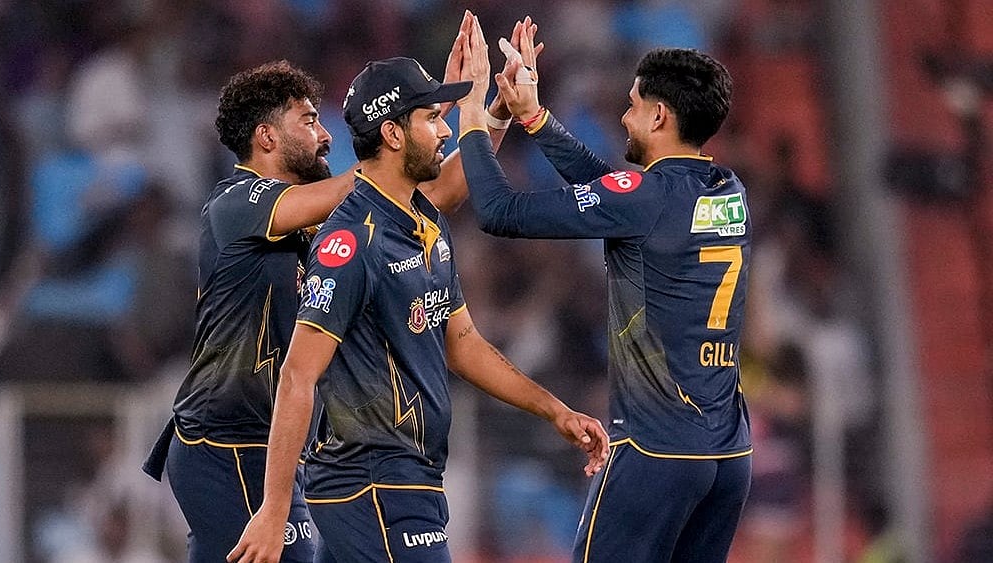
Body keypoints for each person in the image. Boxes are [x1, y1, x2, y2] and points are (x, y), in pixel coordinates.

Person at [226, 27, 609, 563]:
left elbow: (464, 342)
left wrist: (555, 411)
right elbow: (298, 375)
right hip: (373, 482)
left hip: (403, 478)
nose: (445, 133)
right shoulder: (349, 241)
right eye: (431, 120)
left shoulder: (420, 221)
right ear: (392, 134)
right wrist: (274, 508)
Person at [141, 14, 504, 562]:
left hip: (285, 444)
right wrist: (415, 120)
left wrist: (467, 117)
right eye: (309, 121)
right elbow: (376, 183)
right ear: (266, 137)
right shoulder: (237, 205)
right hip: (227, 443)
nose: (326, 133)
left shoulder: (317, 217)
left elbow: (432, 194)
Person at [455, 18, 753, 562]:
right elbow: (615, 193)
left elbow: (499, 211)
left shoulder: (644, 197)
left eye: (634, 104)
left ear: (660, 115)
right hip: (728, 456)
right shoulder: (726, 189)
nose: (624, 116)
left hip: (654, 450)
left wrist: (474, 118)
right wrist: (533, 118)